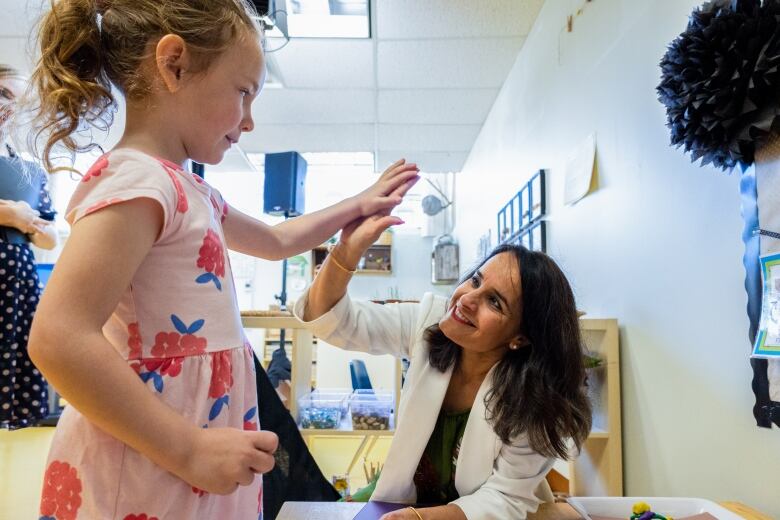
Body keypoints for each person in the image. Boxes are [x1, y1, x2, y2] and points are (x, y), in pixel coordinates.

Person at [25, 1, 418, 518]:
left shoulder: (193, 191)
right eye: (243, 93)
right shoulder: (137, 182)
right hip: (152, 455)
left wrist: (359, 203)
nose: (249, 121)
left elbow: (277, 241)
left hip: (198, 442)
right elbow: (58, 337)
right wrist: (186, 447)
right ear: (174, 65)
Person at [295, 213, 592, 520]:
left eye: (494, 302)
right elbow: (331, 320)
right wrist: (346, 251)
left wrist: (421, 518)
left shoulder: (536, 401)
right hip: (397, 501)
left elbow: (503, 499)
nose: (467, 299)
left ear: (520, 337)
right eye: (475, 280)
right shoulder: (429, 319)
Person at [0, 64, 58, 430]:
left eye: (18, 102)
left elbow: (49, 235)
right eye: (4, 94)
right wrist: (10, 214)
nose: (9, 108)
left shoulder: (29, 169)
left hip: (16, 282)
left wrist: (29, 222)